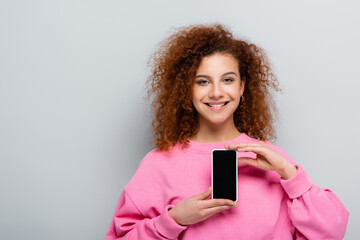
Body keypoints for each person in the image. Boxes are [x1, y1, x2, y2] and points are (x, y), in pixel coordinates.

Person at [106, 24, 349, 239]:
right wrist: (172, 221)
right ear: (186, 90)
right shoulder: (158, 164)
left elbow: (331, 232)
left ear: (243, 86)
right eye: (202, 81)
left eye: (228, 80)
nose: (216, 93)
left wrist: (289, 173)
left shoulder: (272, 160)